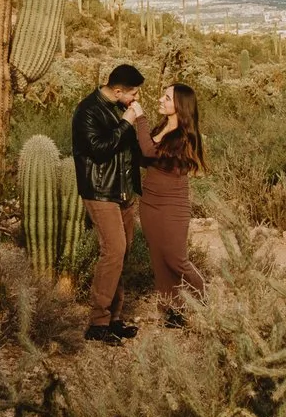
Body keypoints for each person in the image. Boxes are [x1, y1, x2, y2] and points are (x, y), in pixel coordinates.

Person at [71, 63, 147, 343]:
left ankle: (115, 318)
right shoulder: (87, 111)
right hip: (101, 191)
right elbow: (100, 150)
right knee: (113, 251)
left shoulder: (115, 108)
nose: (136, 99)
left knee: (122, 255)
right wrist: (127, 121)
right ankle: (98, 323)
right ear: (118, 91)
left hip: (123, 192)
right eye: (133, 94)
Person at [135, 82, 207, 327]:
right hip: (150, 202)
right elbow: (144, 158)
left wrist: (139, 117)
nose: (160, 100)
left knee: (176, 259)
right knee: (159, 258)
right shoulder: (162, 128)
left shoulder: (184, 137)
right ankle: (172, 312)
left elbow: (146, 149)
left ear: (179, 104)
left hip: (173, 206)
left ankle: (205, 299)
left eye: (166, 97)